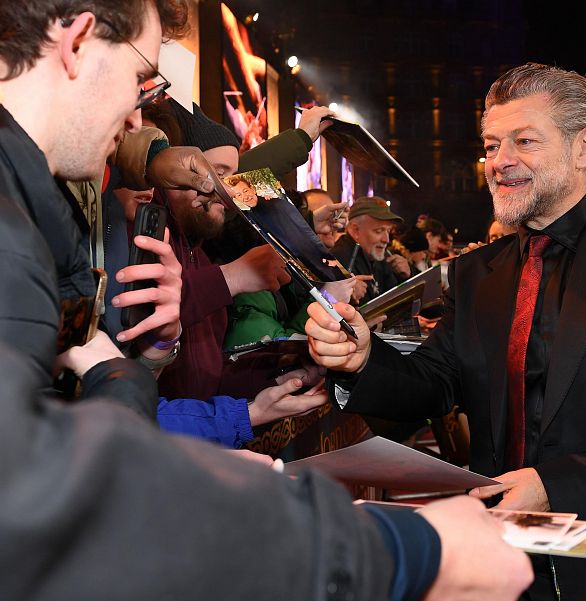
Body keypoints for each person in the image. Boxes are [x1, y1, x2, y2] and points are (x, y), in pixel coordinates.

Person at [0, 2, 533, 598]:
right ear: (76, 44)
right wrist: (407, 550)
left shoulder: (33, 217)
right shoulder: (17, 229)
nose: (136, 118)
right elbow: (52, 502)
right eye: (140, 78)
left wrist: (138, 381)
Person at [306, 63, 586, 601]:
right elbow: (435, 380)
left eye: (523, 141)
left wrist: (555, 487)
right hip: (504, 565)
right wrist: (362, 359)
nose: (499, 161)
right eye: (491, 145)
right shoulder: (476, 272)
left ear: (584, 147)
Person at [331, 197, 411, 304]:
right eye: (378, 231)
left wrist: (405, 278)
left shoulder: (383, 257)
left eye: (388, 231)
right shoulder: (338, 261)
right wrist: (347, 298)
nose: (386, 239)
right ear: (356, 230)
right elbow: (325, 303)